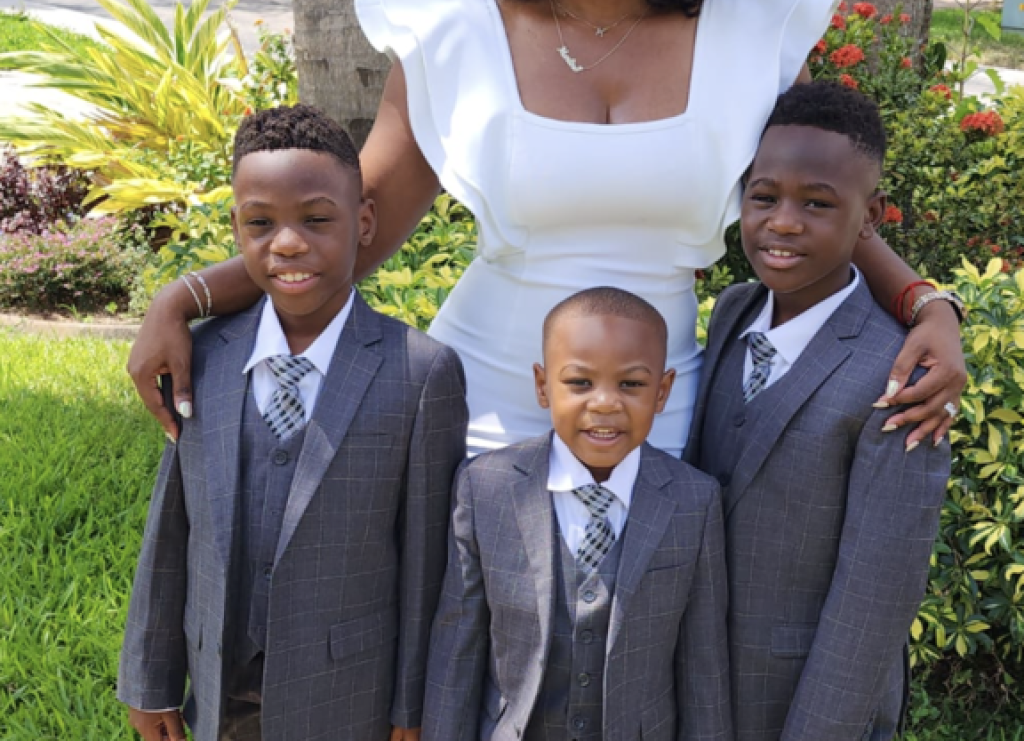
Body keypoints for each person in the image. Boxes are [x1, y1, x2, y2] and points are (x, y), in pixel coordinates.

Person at [127, 0, 965, 460]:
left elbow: (823, 213)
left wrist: (928, 305)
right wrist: (186, 297)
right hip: (473, 419)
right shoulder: (455, 43)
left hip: (661, 421)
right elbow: (348, 235)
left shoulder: (755, 40)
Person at [118, 105, 468, 741]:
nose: (287, 243)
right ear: (236, 227)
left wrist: (412, 708)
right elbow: (171, 529)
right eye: (261, 223)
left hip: (348, 695)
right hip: (220, 687)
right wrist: (148, 679)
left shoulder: (420, 372)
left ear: (364, 222)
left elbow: (426, 562)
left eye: (316, 219)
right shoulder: (205, 356)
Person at [683, 81, 951, 741]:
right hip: (699, 688)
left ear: (870, 216)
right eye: (764, 197)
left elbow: (874, 599)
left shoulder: (903, 377)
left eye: (818, 203)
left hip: (807, 702)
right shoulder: (734, 312)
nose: (783, 221)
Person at [423, 286, 732, 741]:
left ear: (662, 391)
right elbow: (458, 644)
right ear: (543, 385)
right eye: (580, 383)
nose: (605, 403)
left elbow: (703, 664)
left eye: (631, 384)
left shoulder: (694, 501)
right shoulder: (485, 487)